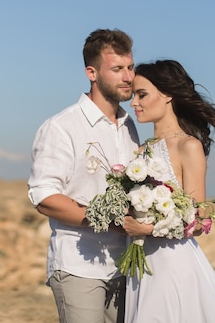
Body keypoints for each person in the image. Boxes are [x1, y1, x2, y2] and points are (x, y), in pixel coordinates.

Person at [27, 28, 140, 323]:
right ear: (92, 72)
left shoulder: (130, 127)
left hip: (124, 267)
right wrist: (104, 220)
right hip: (79, 266)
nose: (128, 77)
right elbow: (43, 196)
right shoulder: (62, 127)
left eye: (130, 68)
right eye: (117, 69)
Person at [122, 59, 215, 323]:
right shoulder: (141, 151)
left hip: (173, 265)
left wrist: (146, 229)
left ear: (167, 95)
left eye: (142, 94)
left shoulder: (188, 146)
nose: (134, 103)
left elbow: (198, 221)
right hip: (142, 265)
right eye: (133, 95)